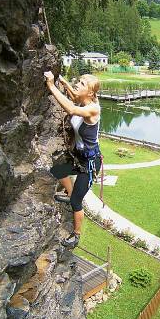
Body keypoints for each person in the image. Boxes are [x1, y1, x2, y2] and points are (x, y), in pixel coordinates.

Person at [44, 71, 102, 248]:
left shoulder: (93, 108)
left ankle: (76, 235)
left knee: (77, 202)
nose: (78, 83)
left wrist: (52, 85)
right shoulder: (83, 100)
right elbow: (74, 96)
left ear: (91, 93)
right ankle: (70, 194)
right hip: (80, 158)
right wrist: (64, 81)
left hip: (90, 164)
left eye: (83, 83)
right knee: (58, 171)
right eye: (79, 81)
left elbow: (71, 108)